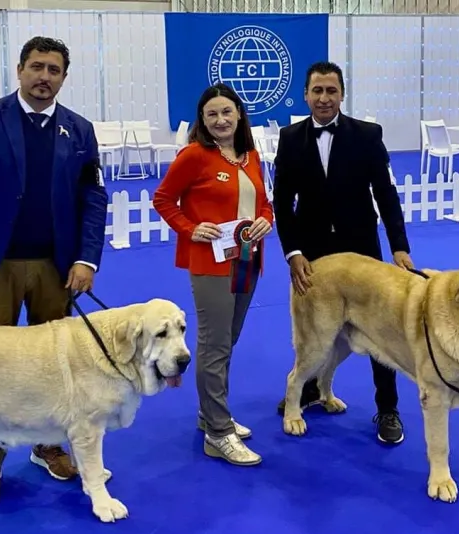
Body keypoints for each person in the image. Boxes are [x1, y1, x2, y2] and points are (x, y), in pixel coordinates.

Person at [0, 36, 109, 506]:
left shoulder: (81, 130)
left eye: (54, 70)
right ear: (19, 70)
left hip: (57, 268)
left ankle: (47, 444)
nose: (44, 77)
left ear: (64, 77)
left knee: (55, 367)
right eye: (36, 67)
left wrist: (86, 258)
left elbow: (93, 197)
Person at [272, 61, 414, 445]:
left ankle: (388, 407)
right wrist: (293, 252)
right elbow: (282, 204)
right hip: (312, 253)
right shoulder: (288, 139)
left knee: (381, 329)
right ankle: (305, 390)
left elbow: (385, 194)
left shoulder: (368, 135)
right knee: (314, 332)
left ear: (342, 94)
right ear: (305, 94)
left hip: (362, 247)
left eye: (331, 90)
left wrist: (399, 247)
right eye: (316, 90)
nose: (323, 98)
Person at [153, 83, 274, 466]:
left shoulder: (250, 156)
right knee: (214, 344)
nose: (221, 120)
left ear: (239, 114)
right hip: (210, 265)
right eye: (212, 115)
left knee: (228, 339)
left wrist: (265, 223)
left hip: (248, 261)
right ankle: (218, 433)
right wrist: (190, 228)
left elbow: (265, 204)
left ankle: (210, 415)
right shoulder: (193, 156)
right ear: (203, 121)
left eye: (227, 112)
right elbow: (162, 199)